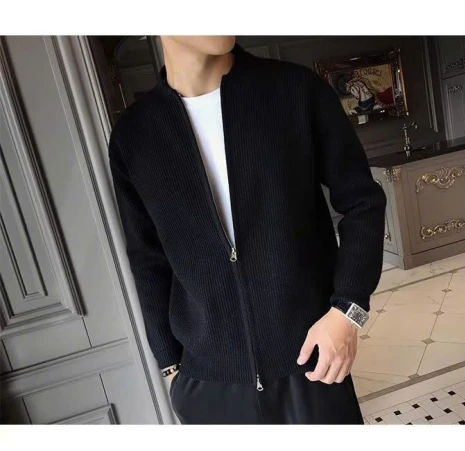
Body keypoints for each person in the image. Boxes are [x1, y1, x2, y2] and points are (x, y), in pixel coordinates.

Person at [108, 35, 387, 424]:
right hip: (208, 383)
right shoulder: (134, 135)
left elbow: (362, 202)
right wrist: (171, 367)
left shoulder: (294, 90)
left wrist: (347, 311)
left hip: (309, 363)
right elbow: (147, 259)